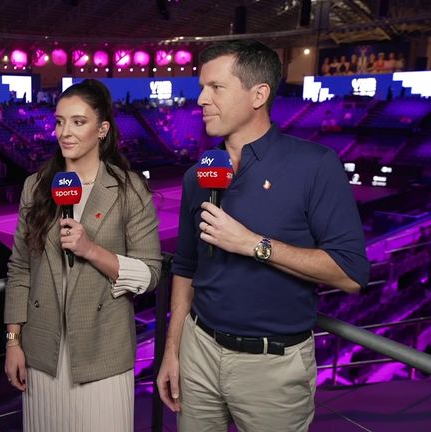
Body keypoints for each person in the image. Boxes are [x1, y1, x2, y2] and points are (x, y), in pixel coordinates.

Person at [156, 40, 370, 432]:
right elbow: (185, 270)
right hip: (197, 351)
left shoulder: (315, 165)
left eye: (216, 88)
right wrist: (173, 351)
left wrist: (253, 244)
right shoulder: (196, 175)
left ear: (259, 94)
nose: (201, 99)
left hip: (272, 368)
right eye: (202, 87)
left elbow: (351, 274)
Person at [4, 79, 162, 431]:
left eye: (78, 122)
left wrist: (91, 249)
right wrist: (13, 341)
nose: (65, 132)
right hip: (42, 354)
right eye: (60, 122)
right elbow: (19, 269)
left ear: (102, 129)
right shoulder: (36, 185)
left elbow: (151, 273)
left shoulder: (128, 188)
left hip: (102, 353)